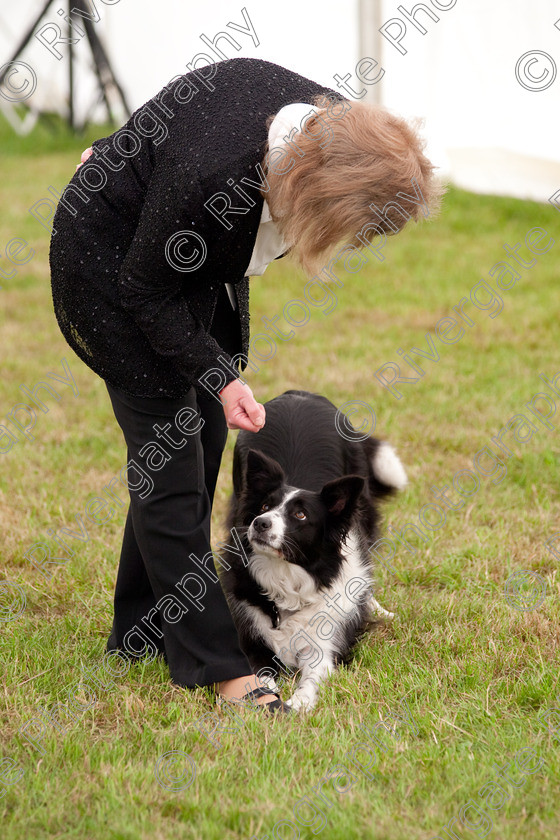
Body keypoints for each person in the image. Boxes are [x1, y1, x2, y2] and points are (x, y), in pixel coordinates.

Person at [49, 57, 442, 714]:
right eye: (349, 228)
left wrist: (125, 147)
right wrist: (220, 376)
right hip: (114, 280)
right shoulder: (213, 179)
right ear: (318, 192)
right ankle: (217, 667)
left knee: (198, 453)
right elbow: (145, 292)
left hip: (178, 269)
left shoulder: (333, 123)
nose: (350, 244)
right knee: (173, 473)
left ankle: (138, 630)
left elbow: (183, 102)